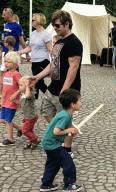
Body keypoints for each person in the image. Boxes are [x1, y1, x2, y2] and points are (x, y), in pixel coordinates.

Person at [30, 10, 83, 157]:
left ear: (67, 24)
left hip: (67, 90)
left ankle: (67, 149)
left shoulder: (74, 42)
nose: (54, 27)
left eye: (57, 25)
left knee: (65, 119)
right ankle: (65, 132)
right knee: (46, 111)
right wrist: (38, 77)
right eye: (53, 25)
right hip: (53, 86)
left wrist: (65, 90)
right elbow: (52, 64)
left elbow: (74, 66)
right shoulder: (59, 41)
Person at [40, 89, 82, 192]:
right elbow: (56, 131)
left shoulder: (66, 114)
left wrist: (72, 130)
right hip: (53, 144)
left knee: (53, 164)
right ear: (72, 104)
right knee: (68, 163)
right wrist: (69, 130)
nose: (81, 103)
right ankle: (69, 185)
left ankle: (46, 184)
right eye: (80, 100)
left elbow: (67, 127)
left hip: (49, 143)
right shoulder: (65, 116)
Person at [18, 13, 52, 100]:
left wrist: (54, 65)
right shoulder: (33, 33)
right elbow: (30, 48)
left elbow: (51, 50)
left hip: (43, 61)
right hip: (34, 61)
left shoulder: (46, 34)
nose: (31, 22)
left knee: (37, 81)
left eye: (32, 20)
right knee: (37, 82)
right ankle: (34, 100)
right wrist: (19, 52)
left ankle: (50, 98)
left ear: (39, 21)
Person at [1, 8, 30, 96]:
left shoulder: (16, 26)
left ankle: (22, 93)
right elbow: (4, 40)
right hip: (5, 53)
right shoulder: (6, 25)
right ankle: (5, 94)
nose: (2, 16)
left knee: (15, 75)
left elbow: (21, 40)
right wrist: (1, 52)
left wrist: (26, 53)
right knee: (5, 74)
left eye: (4, 15)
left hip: (13, 53)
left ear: (10, 15)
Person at [10, 76, 41, 149]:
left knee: (24, 130)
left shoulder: (30, 94)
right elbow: (22, 103)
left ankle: (35, 139)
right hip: (27, 116)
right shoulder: (23, 94)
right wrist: (15, 101)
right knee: (29, 130)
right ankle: (31, 142)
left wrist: (27, 86)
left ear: (28, 86)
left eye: (21, 85)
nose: (19, 87)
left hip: (31, 117)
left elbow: (28, 96)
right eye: (19, 85)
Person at [0, 52, 22, 146]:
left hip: (12, 102)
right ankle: (20, 128)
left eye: (8, 62)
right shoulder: (5, 74)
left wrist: (15, 94)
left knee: (8, 121)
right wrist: (1, 96)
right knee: (2, 120)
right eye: (5, 61)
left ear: (15, 64)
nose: (6, 63)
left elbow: (22, 87)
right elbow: (3, 86)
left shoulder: (16, 74)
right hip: (4, 101)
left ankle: (10, 139)